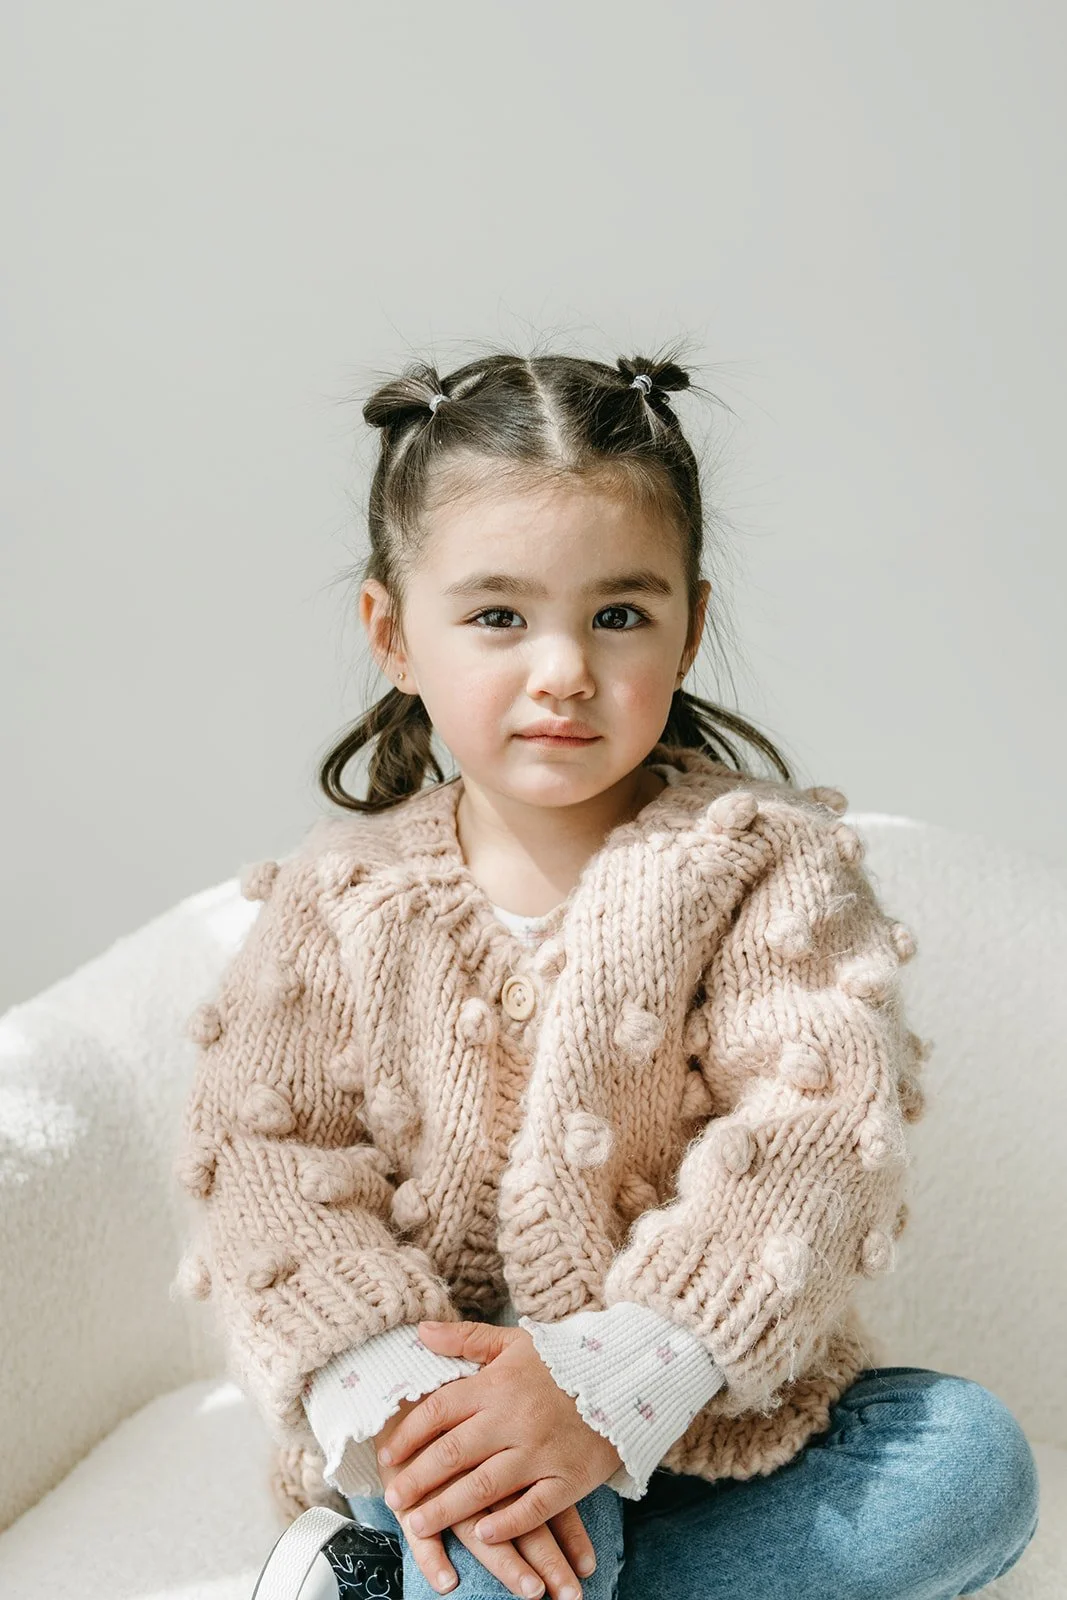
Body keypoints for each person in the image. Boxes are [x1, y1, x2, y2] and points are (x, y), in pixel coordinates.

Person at [172, 347, 1040, 1600]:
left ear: (689, 621)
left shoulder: (762, 863)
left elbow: (813, 1132)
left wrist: (609, 1376)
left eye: (617, 614)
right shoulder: (338, 893)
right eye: (496, 617)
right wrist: (411, 1401)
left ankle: (369, 1585)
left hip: (691, 1394)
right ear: (391, 633)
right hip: (435, 1409)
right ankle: (438, 1547)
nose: (564, 667)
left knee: (968, 1464)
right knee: (489, 1515)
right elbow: (267, 1168)